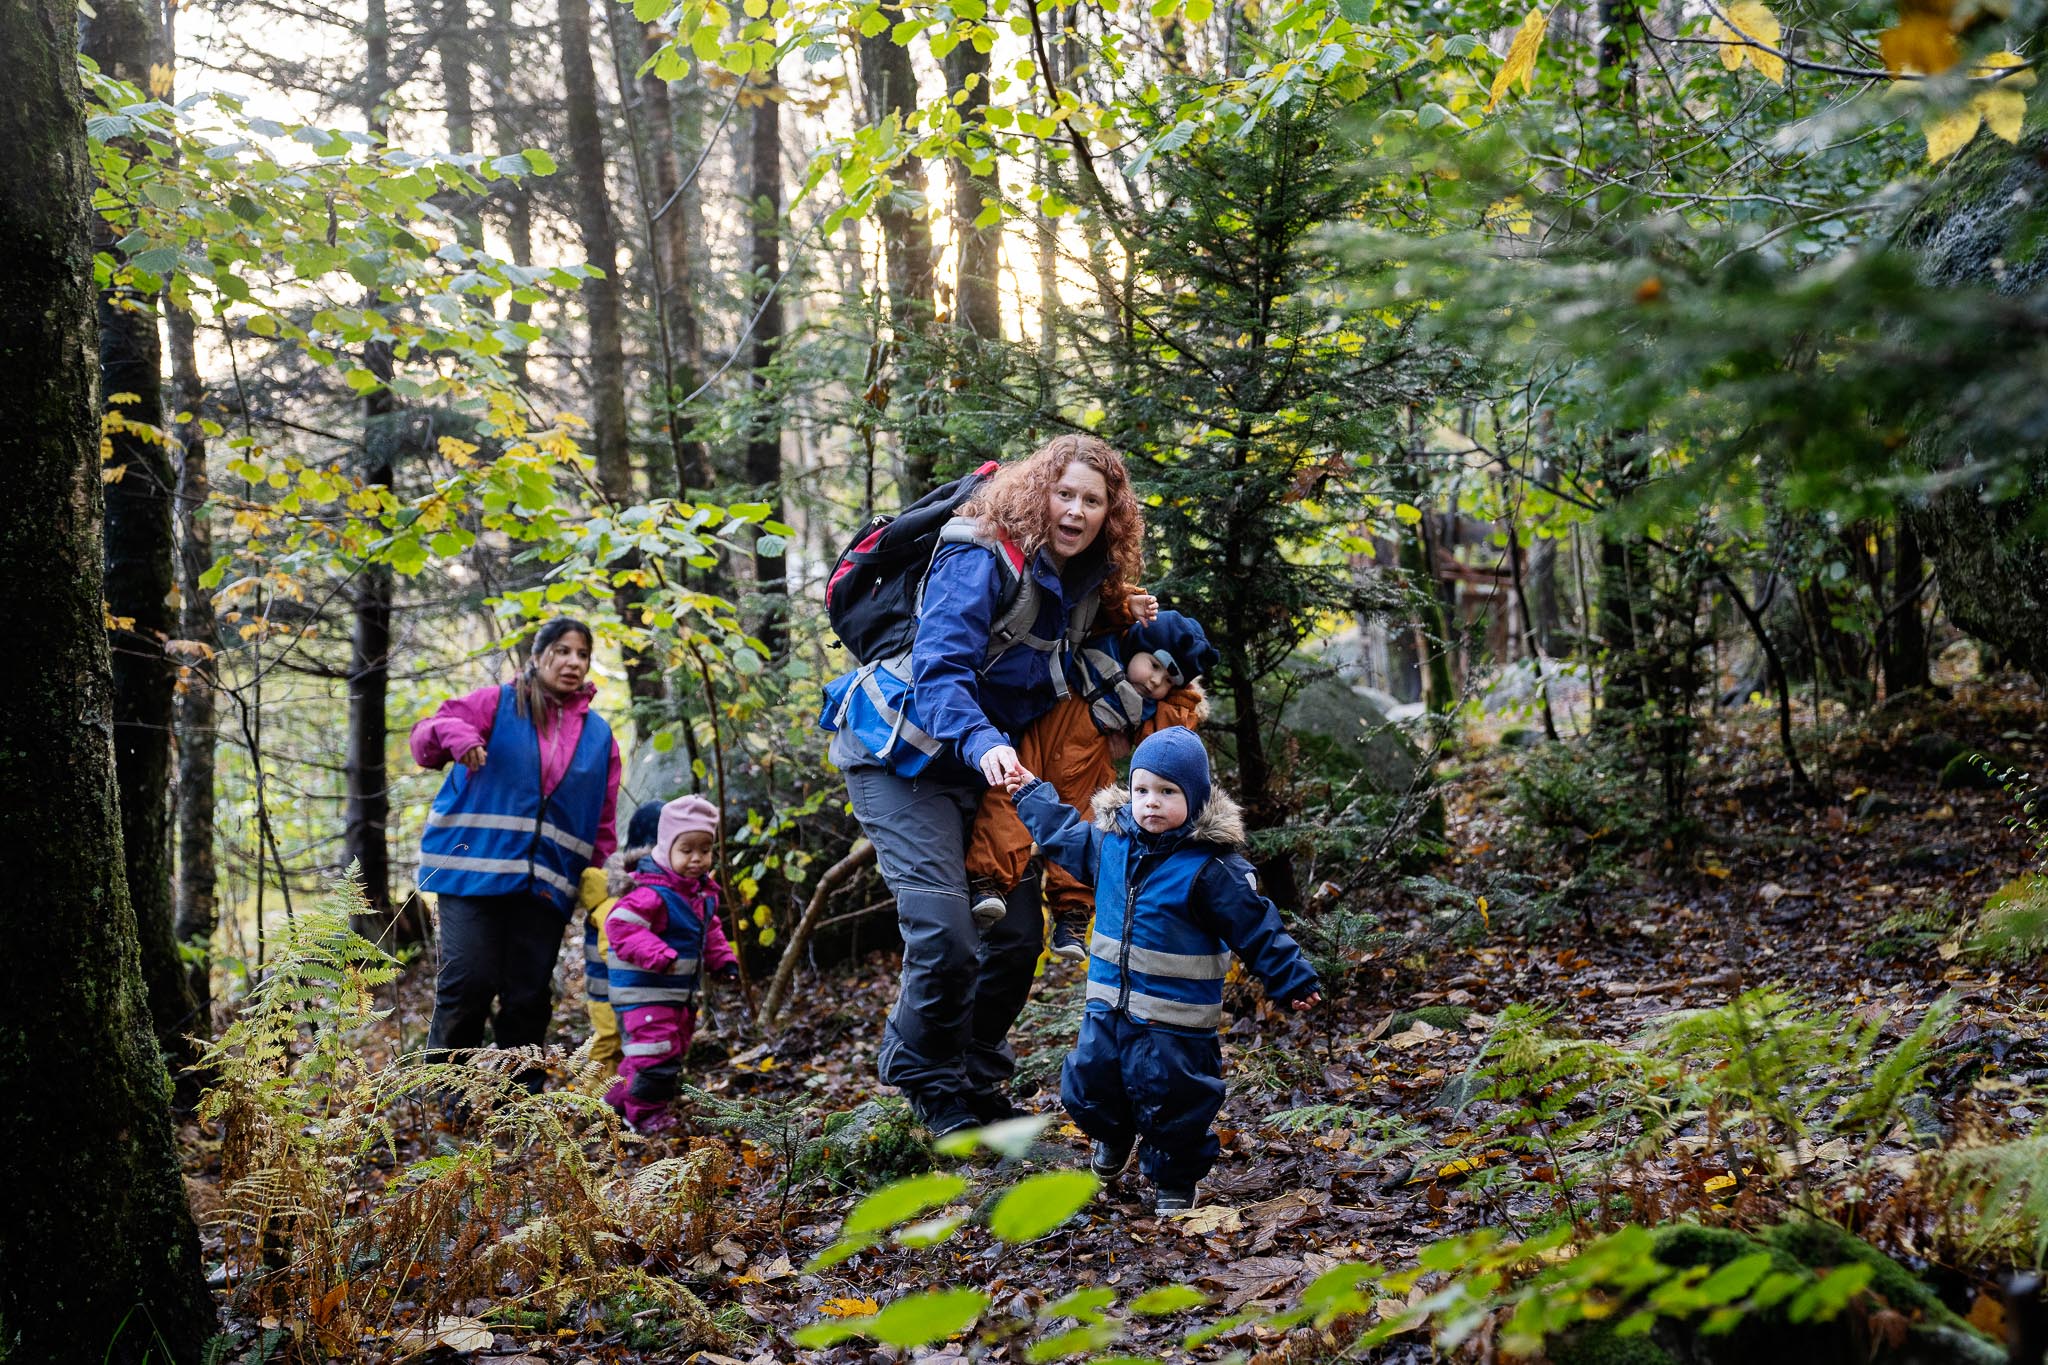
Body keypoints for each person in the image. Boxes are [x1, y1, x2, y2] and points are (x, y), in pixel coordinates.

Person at [821, 433, 1147, 1135]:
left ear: (1110, 514)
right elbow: (940, 672)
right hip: (900, 751)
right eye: (1065, 493)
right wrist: (984, 744)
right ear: (1039, 491)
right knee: (945, 930)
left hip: (993, 766)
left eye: (1094, 500)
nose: (1077, 510)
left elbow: (1073, 671)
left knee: (1016, 936)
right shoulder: (980, 550)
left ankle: (975, 1076)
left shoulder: (1087, 582)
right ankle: (926, 1079)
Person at [1006, 726, 1321, 1212]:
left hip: (1176, 1022)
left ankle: (1175, 1181)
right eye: (1141, 790)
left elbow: (1256, 926)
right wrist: (1029, 792)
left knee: (1175, 1102)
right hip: (1108, 1008)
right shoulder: (1110, 846)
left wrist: (1291, 977)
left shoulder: (1212, 869)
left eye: (1167, 792)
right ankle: (1112, 1136)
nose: (1151, 803)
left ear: (1194, 799)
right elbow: (1060, 832)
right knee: (1090, 1083)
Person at [411, 617, 621, 1073]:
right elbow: (426, 738)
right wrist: (459, 736)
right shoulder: (497, 704)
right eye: (562, 650)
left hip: (547, 884)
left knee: (528, 997)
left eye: (582, 654)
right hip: (471, 873)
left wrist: (604, 886)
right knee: (468, 984)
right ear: (537, 655)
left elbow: (602, 820)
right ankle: (447, 1101)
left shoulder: (598, 735)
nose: (573, 661)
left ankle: (519, 1108)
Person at [965, 609, 1220, 960]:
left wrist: (1185, 696)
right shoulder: (1099, 641)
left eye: (1168, 681)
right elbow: (1102, 599)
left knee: (1090, 828)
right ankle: (987, 882)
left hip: (1089, 768)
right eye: (1154, 665)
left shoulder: (1146, 710)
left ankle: (1071, 915)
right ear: (1137, 644)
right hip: (1041, 742)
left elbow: (1170, 736)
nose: (1155, 682)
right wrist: (1129, 606)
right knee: (1008, 803)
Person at [601, 795, 739, 1135]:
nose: (697, 858)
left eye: (705, 850)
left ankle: (611, 1105)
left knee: (656, 1054)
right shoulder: (652, 891)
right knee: (656, 1057)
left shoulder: (701, 894)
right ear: (666, 848)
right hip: (644, 992)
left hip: (677, 996)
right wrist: (659, 954)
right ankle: (645, 1118)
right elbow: (620, 924)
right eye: (687, 849)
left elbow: (712, 932)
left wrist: (723, 962)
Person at [577, 799, 666, 1089]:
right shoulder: (618, 894)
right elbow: (612, 947)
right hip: (608, 993)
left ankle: (621, 1101)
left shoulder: (645, 887)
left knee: (631, 1046)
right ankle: (591, 1106)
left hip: (629, 990)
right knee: (609, 1045)